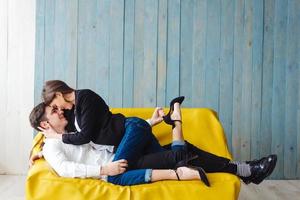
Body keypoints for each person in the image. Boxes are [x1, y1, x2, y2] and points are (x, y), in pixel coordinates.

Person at [29, 102, 277, 186]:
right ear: (43, 125)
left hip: (123, 154)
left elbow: (115, 132)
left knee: (180, 154)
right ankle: (245, 170)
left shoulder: (74, 130)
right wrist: (105, 170)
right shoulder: (51, 147)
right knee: (183, 152)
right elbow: (66, 169)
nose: (59, 110)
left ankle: (245, 170)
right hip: (120, 166)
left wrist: (149, 121)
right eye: (53, 111)